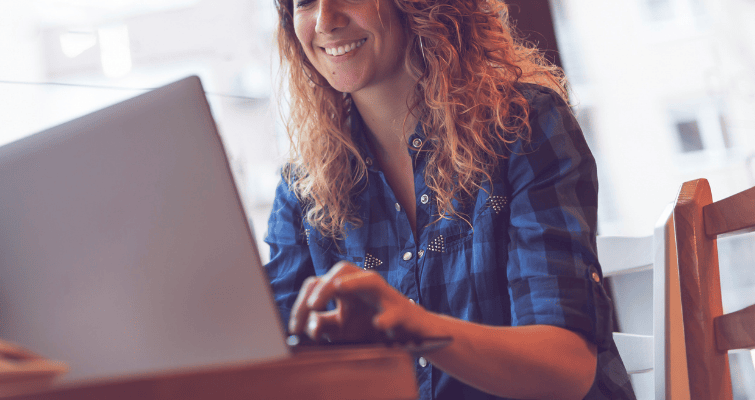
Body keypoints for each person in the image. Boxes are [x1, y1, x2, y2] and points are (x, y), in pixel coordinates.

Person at [264, 0, 635, 399]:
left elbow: (567, 369)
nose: (325, 21)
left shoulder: (523, 126)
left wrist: (415, 326)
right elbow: (265, 363)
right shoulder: (301, 188)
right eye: (303, 2)